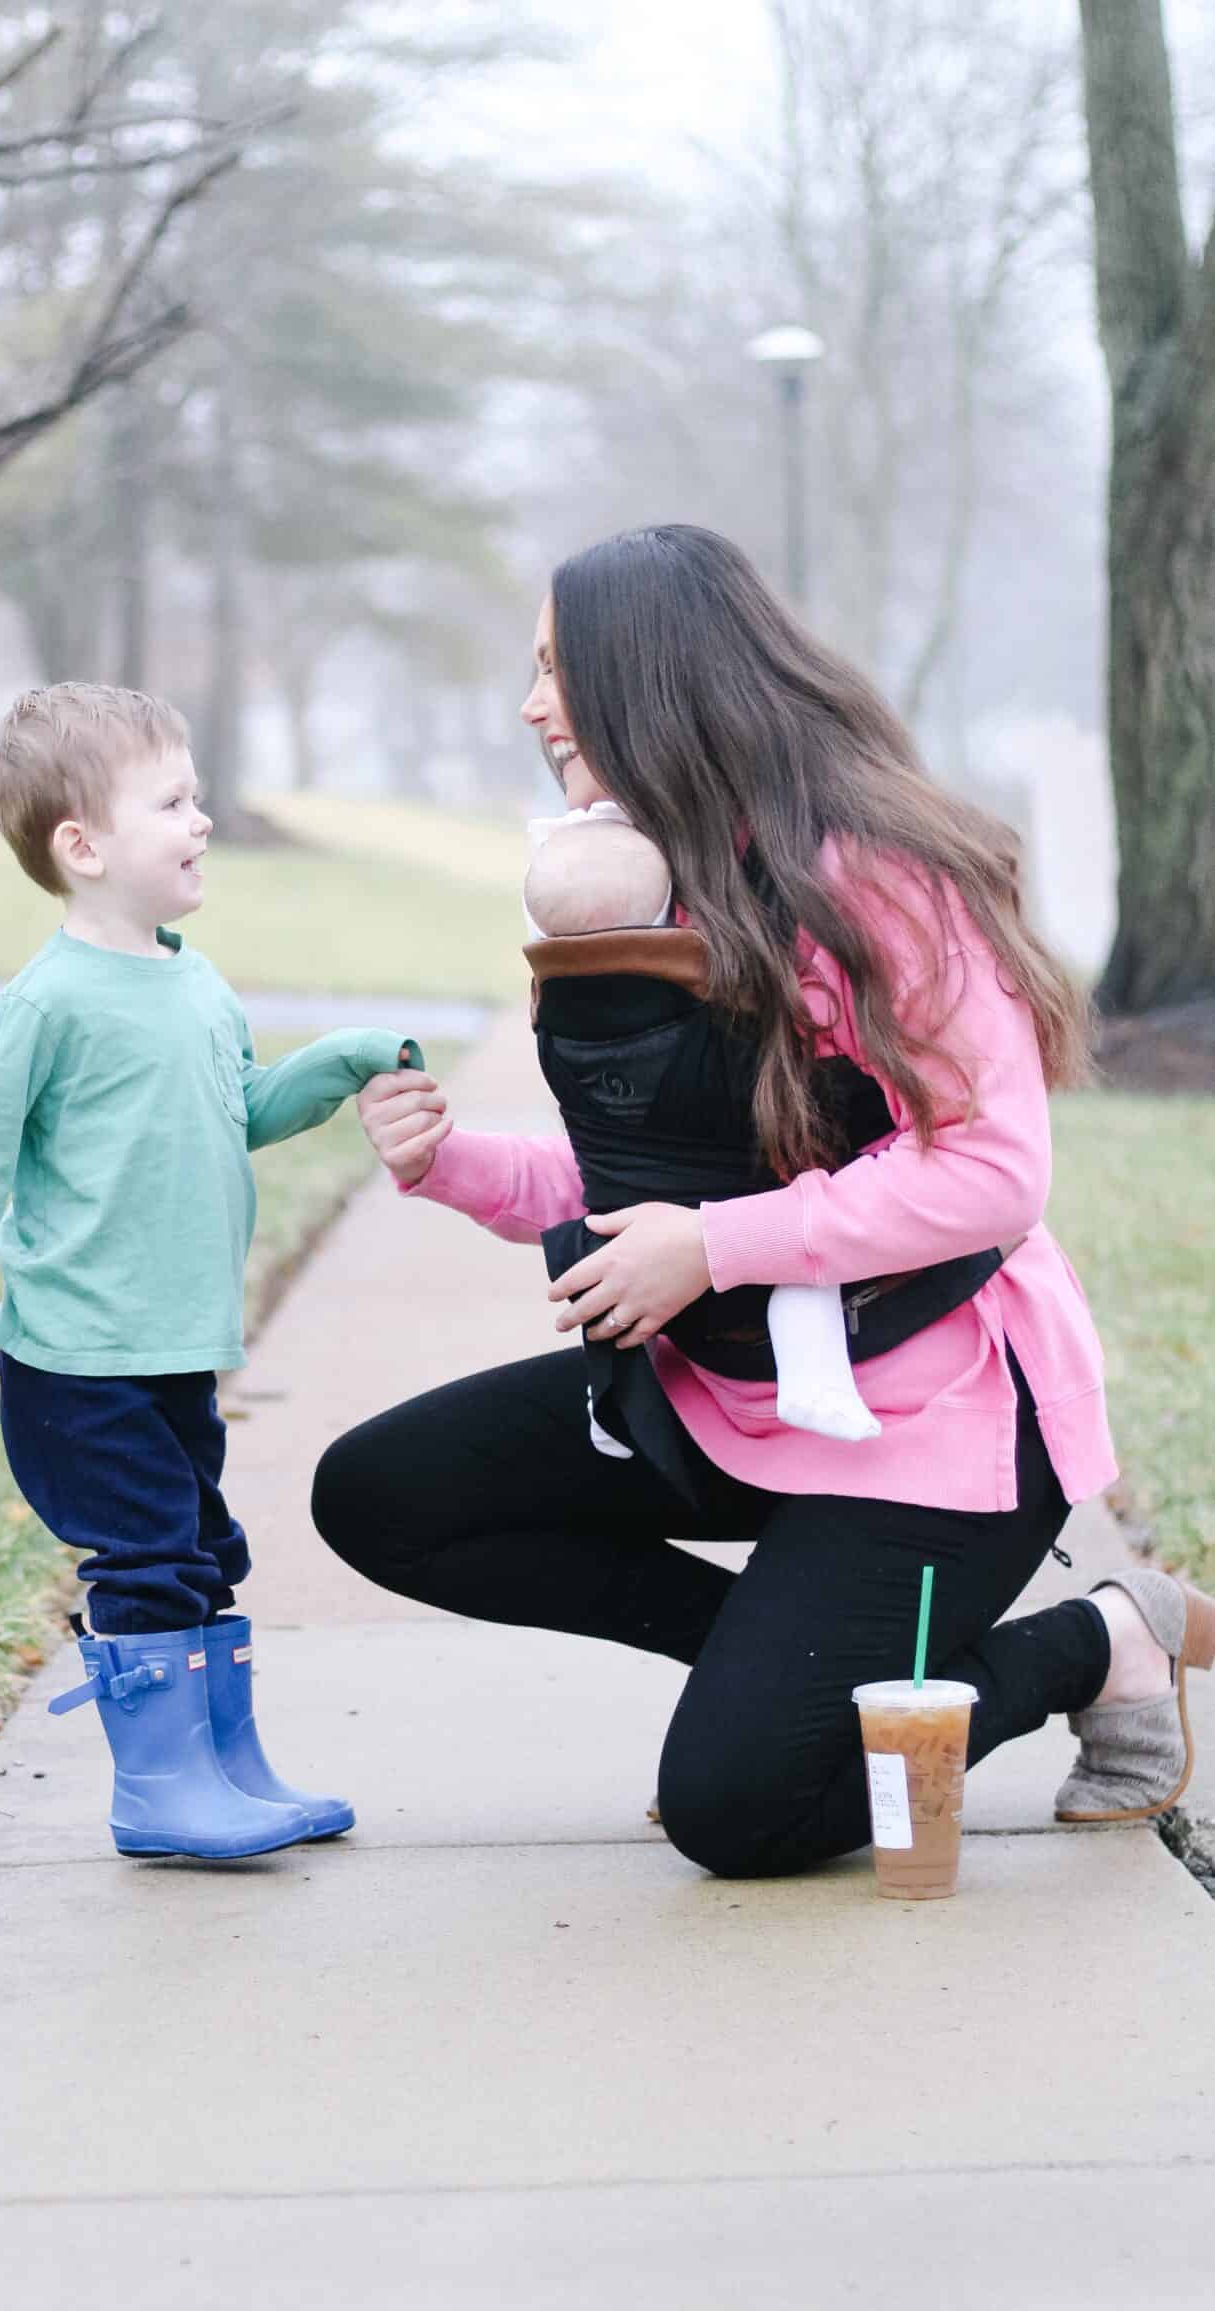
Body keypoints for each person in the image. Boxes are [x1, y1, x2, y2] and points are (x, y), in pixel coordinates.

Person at [314, 526, 1212, 1878]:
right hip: (735, 1398)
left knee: (748, 1814)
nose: (530, 706)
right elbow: (654, 1186)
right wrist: (450, 1165)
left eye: (557, 670)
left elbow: (986, 1172)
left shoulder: (874, 878)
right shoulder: (651, 880)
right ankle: (785, 1681)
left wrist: (713, 1247)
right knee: (381, 1493)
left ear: (648, 678)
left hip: (936, 1419)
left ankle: (1100, 1638)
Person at [0, 682, 417, 1861]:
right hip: (79, 1363)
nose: (203, 820)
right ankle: (161, 1791)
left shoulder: (196, 980)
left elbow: (233, 1112)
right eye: (173, 801)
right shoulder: (47, 1003)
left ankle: (227, 1767)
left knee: (204, 1549)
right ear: (81, 846)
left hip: (178, 1346)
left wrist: (333, 1066)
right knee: (145, 1556)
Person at [523, 801, 884, 1446]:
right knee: (803, 1273)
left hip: (619, 1203)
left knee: (609, 1289)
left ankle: (605, 1405)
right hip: (733, 1190)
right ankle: (817, 1380)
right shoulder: (687, 967)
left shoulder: (548, 999)